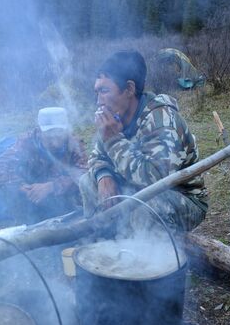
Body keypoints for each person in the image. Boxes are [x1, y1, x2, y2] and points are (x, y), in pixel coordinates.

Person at [80, 50, 208, 233]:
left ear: (129, 89)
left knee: (146, 206)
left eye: (104, 90)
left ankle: (152, 257)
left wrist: (113, 140)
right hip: (136, 189)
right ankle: (103, 241)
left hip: (181, 198)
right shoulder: (116, 114)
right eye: (96, 91)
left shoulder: (162, 120)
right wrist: (103, 175)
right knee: (88, 181)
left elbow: (154, 180)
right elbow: (97, 156)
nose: (98, 101)